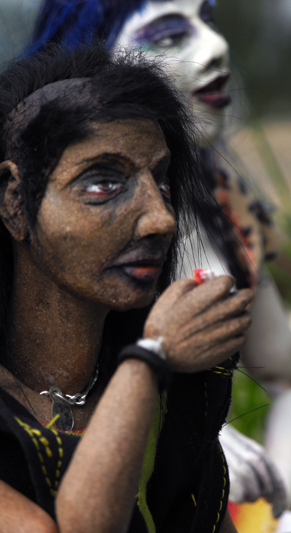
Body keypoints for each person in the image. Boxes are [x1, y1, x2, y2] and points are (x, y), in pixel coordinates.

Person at [27, 0, 291, 522]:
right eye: (167, 36)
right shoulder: (45, 227)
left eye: (210, 20)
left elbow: (285, 383)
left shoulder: (224, 198)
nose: (216, 48)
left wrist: (267, 507)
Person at [0, 42, 254, 532]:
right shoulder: (153, 368)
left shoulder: (170, 400)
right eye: (102, 183)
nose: (161, 219)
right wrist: (152, 356)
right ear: (14, 202)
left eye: (160, 181)